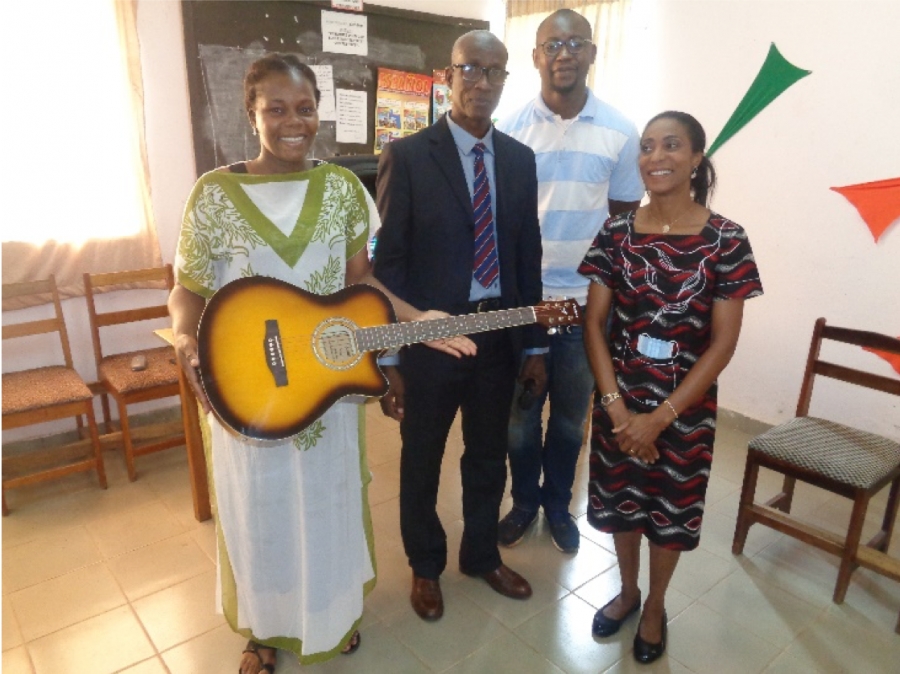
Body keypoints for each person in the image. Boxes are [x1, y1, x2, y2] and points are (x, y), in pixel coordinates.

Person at [168, 53, 472, 674]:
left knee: (325, 509)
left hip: (326, 389)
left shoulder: (342, 190)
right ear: (251, 113)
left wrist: (417, 319)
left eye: (305, 108)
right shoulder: (213, 195)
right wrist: (182, 337)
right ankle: (264, 632)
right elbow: (187, 289)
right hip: (248, 391)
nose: (293, 122)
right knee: (260, 516)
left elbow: (363, 284)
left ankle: (331, 618)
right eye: (276, 108)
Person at [374, 30, 546, 621]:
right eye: (470, 68)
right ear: (447, 77)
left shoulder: (520, 160)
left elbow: (527, 259)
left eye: (494, 71)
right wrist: (390, 357)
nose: (482, 82)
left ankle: (481, 555)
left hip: (498, 337)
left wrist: (535, 346)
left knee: (488, 454)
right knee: (421, 458)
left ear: (505, 80)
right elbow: (388, 269)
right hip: (429, 340)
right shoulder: (407, 156)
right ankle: (426, 566)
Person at [579, 111, 763, 663]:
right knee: (621, 504)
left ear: (696, 158)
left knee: (669, 512)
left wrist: (659, 419)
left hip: (684, 412)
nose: (655, 157)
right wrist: (617, 411)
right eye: (647, 146)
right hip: (618, 399)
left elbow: (722, 345)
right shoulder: (616, 233)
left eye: (671, 145)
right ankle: (627, 591)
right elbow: (594, 324)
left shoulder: (726, 239)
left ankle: (655, 605)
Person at [496, 8, 643, 553]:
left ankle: (558, 506)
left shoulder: (621, 132)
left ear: (592, 53)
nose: (564, 53)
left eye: (576, 42)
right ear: (535, 56)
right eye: (553, 44)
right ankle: (523, 503)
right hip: (524, 305)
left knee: (569, 420)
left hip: (585, 309)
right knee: (519, 420)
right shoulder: (507, 129)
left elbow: (622, 226)